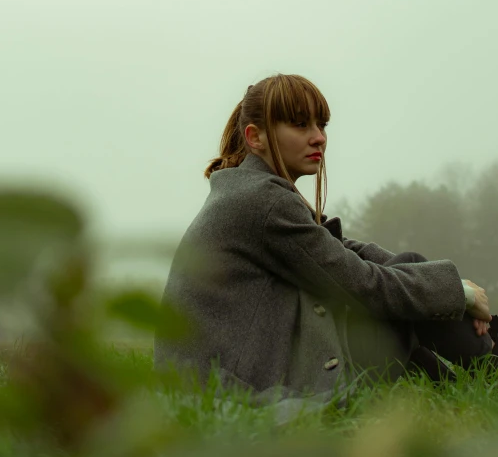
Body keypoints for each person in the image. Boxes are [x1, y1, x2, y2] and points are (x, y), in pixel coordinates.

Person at [153, 74, 497, 410]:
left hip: (237, 374)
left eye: (322, 125)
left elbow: (340, 249)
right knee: (395, 302)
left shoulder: (249, 189)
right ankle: (488, 365)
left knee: (408, 275)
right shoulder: (263, 201)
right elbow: (361, 284)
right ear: (255, 137)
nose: (318, 138)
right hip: (239, 388)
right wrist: (460, 294)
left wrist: (448, 288)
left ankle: (475, 373)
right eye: (301, 125)